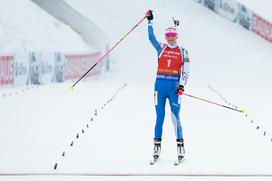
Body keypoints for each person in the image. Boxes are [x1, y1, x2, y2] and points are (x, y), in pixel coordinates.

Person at [145, 10, 190, 162]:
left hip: (173, 89)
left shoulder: (183, 51)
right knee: (160, 117)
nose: (170, 39)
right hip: (159, 86)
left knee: (175, 117)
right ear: (166, 37)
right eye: (168, 36)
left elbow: (186, 71)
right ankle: (157, 146)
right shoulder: (161, 47)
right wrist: (150, 21)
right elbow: (151, 38)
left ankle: (180, 147)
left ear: (177, 36)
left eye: (173, 36)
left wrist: (182, 86)